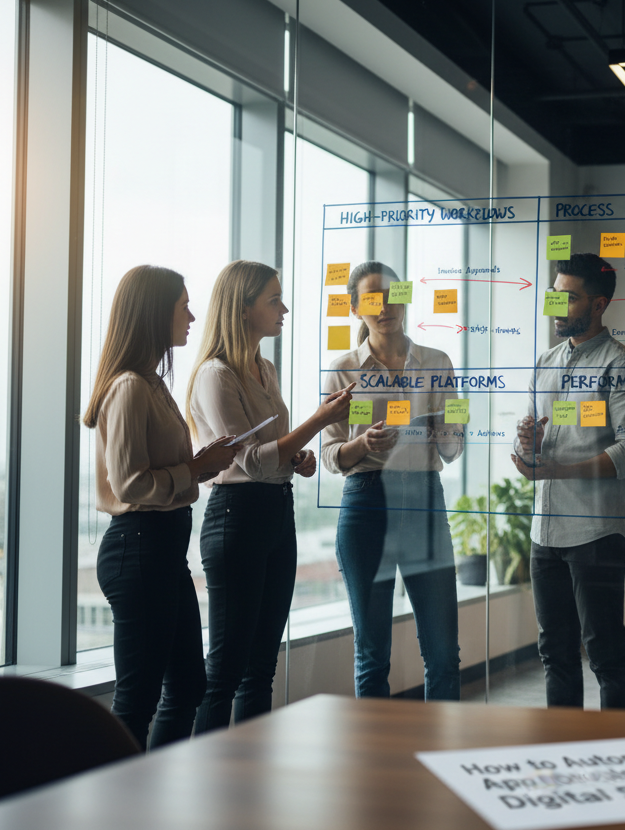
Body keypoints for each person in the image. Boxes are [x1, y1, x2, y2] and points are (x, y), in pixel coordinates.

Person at [186, 261, 353, 733]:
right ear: (243, 308)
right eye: (273, 300)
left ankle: (246, 777)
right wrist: (318, 422)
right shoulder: (215, 375)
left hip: (276, 512)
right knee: (225, 670)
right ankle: (208, 781)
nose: (284, 309)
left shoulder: (264, 367)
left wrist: (297, 459)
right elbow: (251, 460)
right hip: (237, 518)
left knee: (261, 667)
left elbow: (270, 454)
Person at [81, 265, 239, 749]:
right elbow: (129, 484)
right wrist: (194, 470)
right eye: (182, 305)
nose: (192, 316)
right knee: (137, 699)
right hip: (139, 550)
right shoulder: (129, 386)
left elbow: (155, 471)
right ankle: (120, 808)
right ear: (155, 312)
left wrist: (203, 466)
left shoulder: (151, 383)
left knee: (188, 685)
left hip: (162, 552)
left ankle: (154, 791)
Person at [510, 253, 625, 710]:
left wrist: (559, 470)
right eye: (554, 295)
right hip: (545, 532)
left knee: (606, 656)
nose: (556, 305)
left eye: (568, 298)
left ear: (597, 304)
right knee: (554, 655)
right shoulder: (544, 362)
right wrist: (526, 446)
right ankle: (562, 753)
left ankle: (614, 759)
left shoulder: (624, 366)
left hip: (596, 531)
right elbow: (532, 455)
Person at [321, 261, 464, 700]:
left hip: (423, 499)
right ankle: (373, 764)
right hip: (366, 503)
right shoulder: (343, 369)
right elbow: (329, 454)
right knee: (372, 653)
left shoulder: (438, 362)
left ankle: (440, 755)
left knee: (443, 651)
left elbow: (453, 448)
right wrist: (364, 444)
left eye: (392, 295)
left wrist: (447, 424)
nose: (385, 307)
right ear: (355, 307)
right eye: (372, 299)